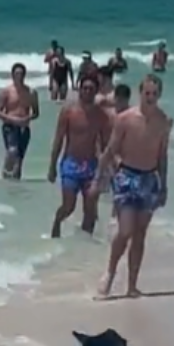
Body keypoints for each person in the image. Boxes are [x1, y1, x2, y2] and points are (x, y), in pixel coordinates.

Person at [95, 75, 172, 299]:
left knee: (140, 234)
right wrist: (98, 177)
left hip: (149, 179)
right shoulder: (126, 118)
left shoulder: (163, 121)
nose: (150, 98)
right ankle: (110, 272)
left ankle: (132, 285)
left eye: (154, 94)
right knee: (126, 230)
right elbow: (111, 149)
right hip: (126, 176)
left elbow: (162, 156)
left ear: (159, 95)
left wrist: (164, 185)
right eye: (147, 93)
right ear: (140, 94)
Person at [47, 75, 112, 237]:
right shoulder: (69, 111)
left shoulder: (101, 116)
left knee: (90, 209)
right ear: (79, 89)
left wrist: (106, 170)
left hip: (91, 165)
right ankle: (56, 223)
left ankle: (84, 244)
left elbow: (106, 145)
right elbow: (58, 140)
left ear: (96, 91)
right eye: (85, 88)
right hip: (70, 164)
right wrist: (52, 167)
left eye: (91, 89)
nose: (88, 92)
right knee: (68, 207)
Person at [0, 63, 40, 180]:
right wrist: (13, 119)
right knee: (12, 150)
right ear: (12, 75)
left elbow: (36, 113)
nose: (19, 76)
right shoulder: (7, 92)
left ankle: (15, 189)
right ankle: (5, 175)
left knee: (19, 159)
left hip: (24, 127)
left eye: (21, 74)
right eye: (17, 74)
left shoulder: (31, 92)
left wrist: (27, 119)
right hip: (9, 126)